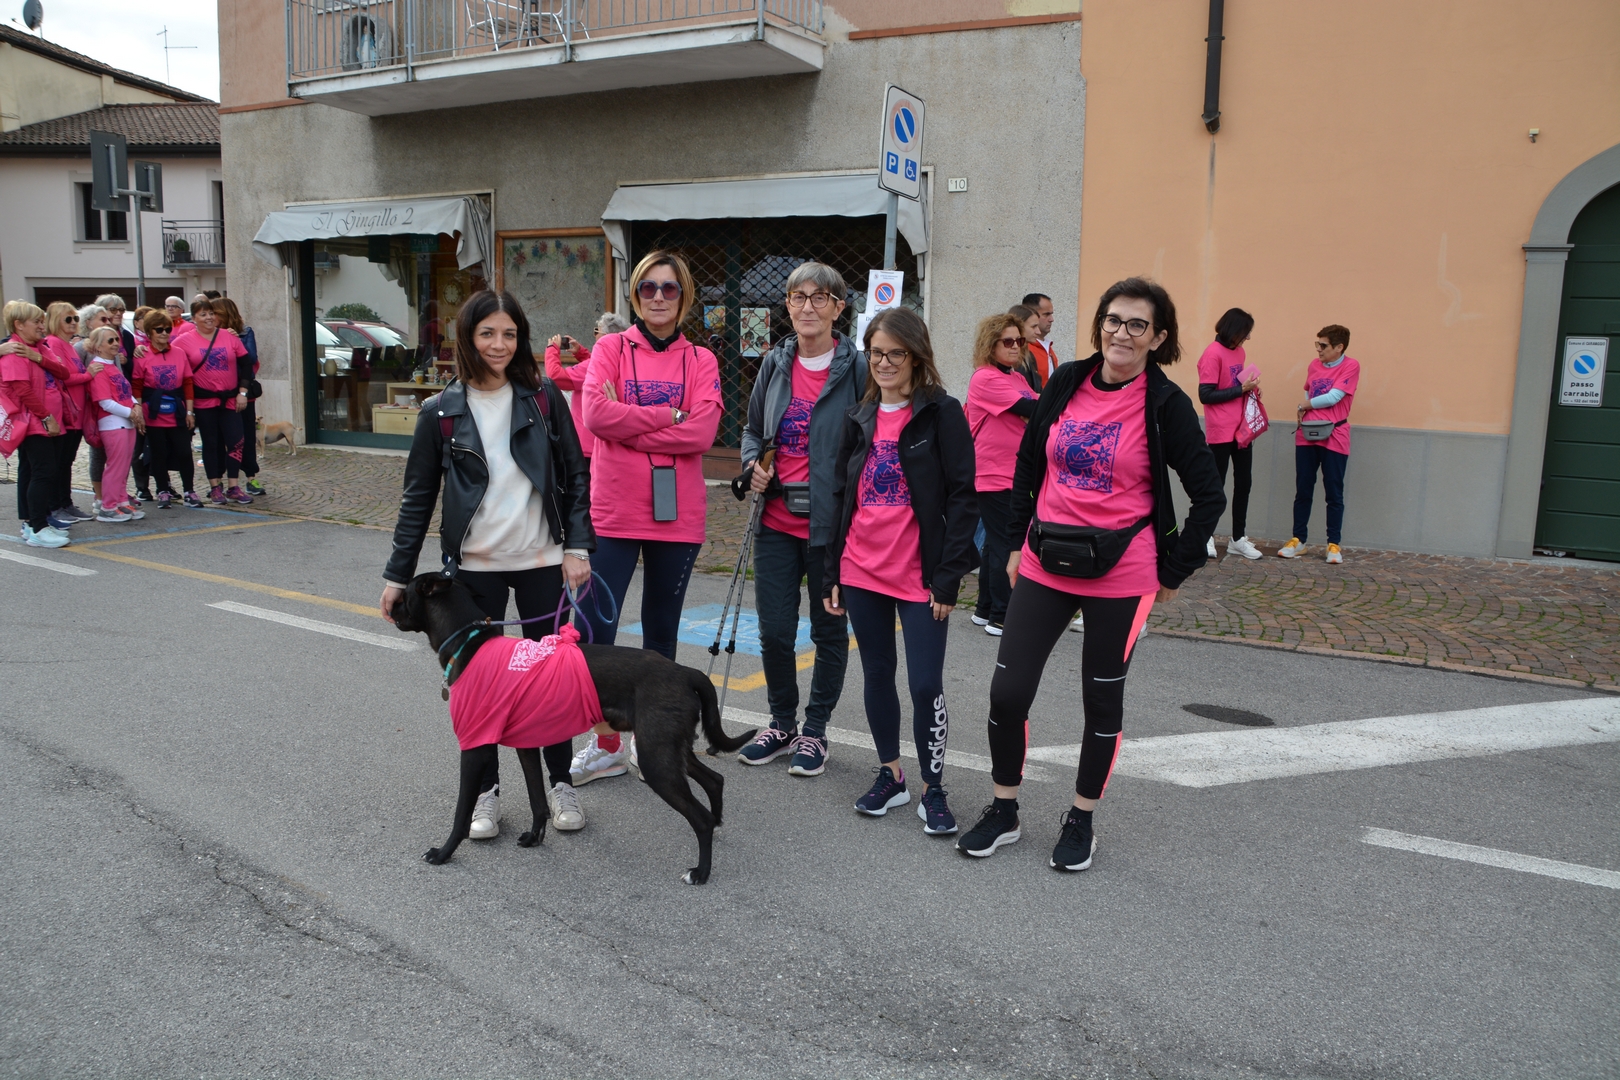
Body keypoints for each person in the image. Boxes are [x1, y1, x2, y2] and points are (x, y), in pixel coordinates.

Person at [957, 277, 1224, 871]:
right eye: (1112, 319)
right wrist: (1016, 536)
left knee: (1101, 702)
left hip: (1123, 574)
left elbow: (1208, 495)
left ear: (1157, 337)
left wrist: (1174, 569)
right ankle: (1004, 809)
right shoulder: (1066, 380)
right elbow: (1029, 458)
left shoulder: (1166, 403)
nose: (1120, 332)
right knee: (1008, 691)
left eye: (1136, 324)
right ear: (1099, 323)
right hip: (1045, 561)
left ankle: (1081, 817)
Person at [382, 289, 596, 839]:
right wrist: (395, 577)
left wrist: (577, 548)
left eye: (509, 333)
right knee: (479, 688)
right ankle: (486, 794)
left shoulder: (545, 397)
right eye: (487, 333)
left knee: (550, 681)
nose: (499, 345)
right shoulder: (440, 413)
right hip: (472, 571)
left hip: (543, 561)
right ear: (468, 338)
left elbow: (575, 477)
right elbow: (417, 498)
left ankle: (559, 781)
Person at [821, 307, 976, 834]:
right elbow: (842, 497)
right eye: (876, 353)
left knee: (926, 683)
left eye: (895, 353)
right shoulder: (859, 417)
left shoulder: (941, 413)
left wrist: (948, 576)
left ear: (916, 356)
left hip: (919, 577)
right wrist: (832, 572)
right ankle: (891, 773)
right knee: (877, 674)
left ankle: (934, 787)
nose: (884, 363)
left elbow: (963, 499)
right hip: (860, 569)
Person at [733, 262, 865, 777]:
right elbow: (750, 430)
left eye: (819, 298)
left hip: (831, 526)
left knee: (829, 632)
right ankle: (782, 723)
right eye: (797, 297)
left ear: (838, 307)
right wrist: (751, 466)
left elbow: (870, 442)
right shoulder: (775, 362)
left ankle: (815, 732)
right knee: (775, 631)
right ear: (786, 305)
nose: (807, 307)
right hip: (776, 522)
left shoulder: (856, 367)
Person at [579, 251, 722, 663]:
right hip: (613, 514)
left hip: (676, 518)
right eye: (648, 287)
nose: (658, 297)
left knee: (661, 639)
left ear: (683, 297)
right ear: (636, 295)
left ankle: (652, 730)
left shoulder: (701, 359)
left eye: (669, 288)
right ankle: (604, 730)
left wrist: (629, 429)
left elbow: (702, 433)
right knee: (595, 633)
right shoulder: (611, 348)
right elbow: (596, 415)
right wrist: (669, 416)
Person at [546, 310, 633, 785]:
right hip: (596, 470)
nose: (596, 342)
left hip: (598, 463)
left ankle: (626, 739)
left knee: (613, 622)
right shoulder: (602, 360)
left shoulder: (605, 360)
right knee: (597, 623)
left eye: (602, 337)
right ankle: (612, 742)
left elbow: (556, 374)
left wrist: (557, 348)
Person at [967, 313, 1039, 636]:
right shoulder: (985, 378)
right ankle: (1002, 615)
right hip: (993, 474)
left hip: (1012, 473)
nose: (1015, 347)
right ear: (991, 344)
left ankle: (984, 610)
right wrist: (1031, 413)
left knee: (994, 543)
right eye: (1007, 342)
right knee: (1005, 543)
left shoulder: (1016, 378)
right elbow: (1033, 410)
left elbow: (1035, 408)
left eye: (1019, 341)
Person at [1279, 325, 1359, 565]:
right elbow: (1311, 390)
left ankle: (1333, 544)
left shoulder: (1351, 366)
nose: (1319, 350)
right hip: (1307, 434)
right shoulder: (1314, 366)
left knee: (1334, 491)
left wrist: (1305, 405)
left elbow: (1335, 396)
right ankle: (1298, 540)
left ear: (1339, 347)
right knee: (1303, 488)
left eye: (1323, 346)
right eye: (1317, 344)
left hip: (1335, 434)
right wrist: (1306, 407)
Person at [1197, 307, 1263, 560]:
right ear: (1233, 330)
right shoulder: (1212, 354)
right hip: (1220, 431)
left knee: (1244, 484)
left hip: (1242, 429)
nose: (1247, 338)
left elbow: (1236, 383)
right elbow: (1206, 394)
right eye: (1245, 333)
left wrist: (1251, 389)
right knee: (1216, 486)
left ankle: (1238, 538)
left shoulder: (1240, 352)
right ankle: (1207, 536)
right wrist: (1240, 390)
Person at [3, 301, 69, 547]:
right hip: (33, 422)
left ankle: (35, 523)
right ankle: (37, 527)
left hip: (50, 420)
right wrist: (46, 417)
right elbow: (23, 391)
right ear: (19, 325)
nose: (43, 326)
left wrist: (39, 357)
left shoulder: (40, 347)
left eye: (43, 321)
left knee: (40, 472)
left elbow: (64, 373)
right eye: (37, 322)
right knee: (42, 472)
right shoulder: (13, 351)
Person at [187, 297, 253, 505]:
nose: (209, 318)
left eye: (211, 313)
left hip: (231, 399)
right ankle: (215, 487)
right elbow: (167, 355)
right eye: (203, 314)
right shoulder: (184, 340)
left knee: (236, 441)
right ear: (194, 318)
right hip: (204, 402)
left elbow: (246, 364)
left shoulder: (228, 336)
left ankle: (234, 486)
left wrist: (242, 392)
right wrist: (139, 350)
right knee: (211, 444)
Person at [131, 311, 200, 509]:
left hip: (177, 411)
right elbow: (136, 385)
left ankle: (189, 490)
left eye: (168, 329)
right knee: (158, 454)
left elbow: (187, 382)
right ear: (150, 332)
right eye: (159, 329)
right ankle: (162, 490)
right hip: (152, 412)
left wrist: (189, 412)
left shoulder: (179, 353)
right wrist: (139, 412)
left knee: (184, 452)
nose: (164, 333)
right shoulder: (142, 354)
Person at [41, 302, 95, 528]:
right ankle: (57, 505)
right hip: (66, 413)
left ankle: (65, 502)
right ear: (55, 321)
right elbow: (63, 377)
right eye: (68, 319)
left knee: (67, 462)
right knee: (60, 463)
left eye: (75, 318)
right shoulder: (54, 343)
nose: (74, 322)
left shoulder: (67, 344)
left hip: (76, 412)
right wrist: (88, 375)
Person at [84, 326, 145, 523]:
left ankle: (120, 500)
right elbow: (105, 401)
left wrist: (135, 406)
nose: (116, 344)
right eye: (110, 341)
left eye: (116, 340)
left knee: (124, 465)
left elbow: (125, 393)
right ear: (97, 346)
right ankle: (108, 506)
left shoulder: (112, 366)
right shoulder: (99, 368)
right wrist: (131, 413)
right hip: (112, 423)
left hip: (125, 422)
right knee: (115, 466)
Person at [215, 298, 265, 496]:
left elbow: (251, 358)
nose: (212, 318)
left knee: (246, 436)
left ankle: (251, 478)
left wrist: (234, 340)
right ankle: (218, 480)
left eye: (215, 313)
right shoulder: (210, 335)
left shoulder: (245, 332)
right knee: (220, 439)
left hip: (243, 393)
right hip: (221, 394)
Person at [1021, 292, 1060, 386]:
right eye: (1046, 314)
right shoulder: (1022, 349)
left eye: (1051, 314)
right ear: (1031, 314)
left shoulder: (1048, 346)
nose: (1051, 319)